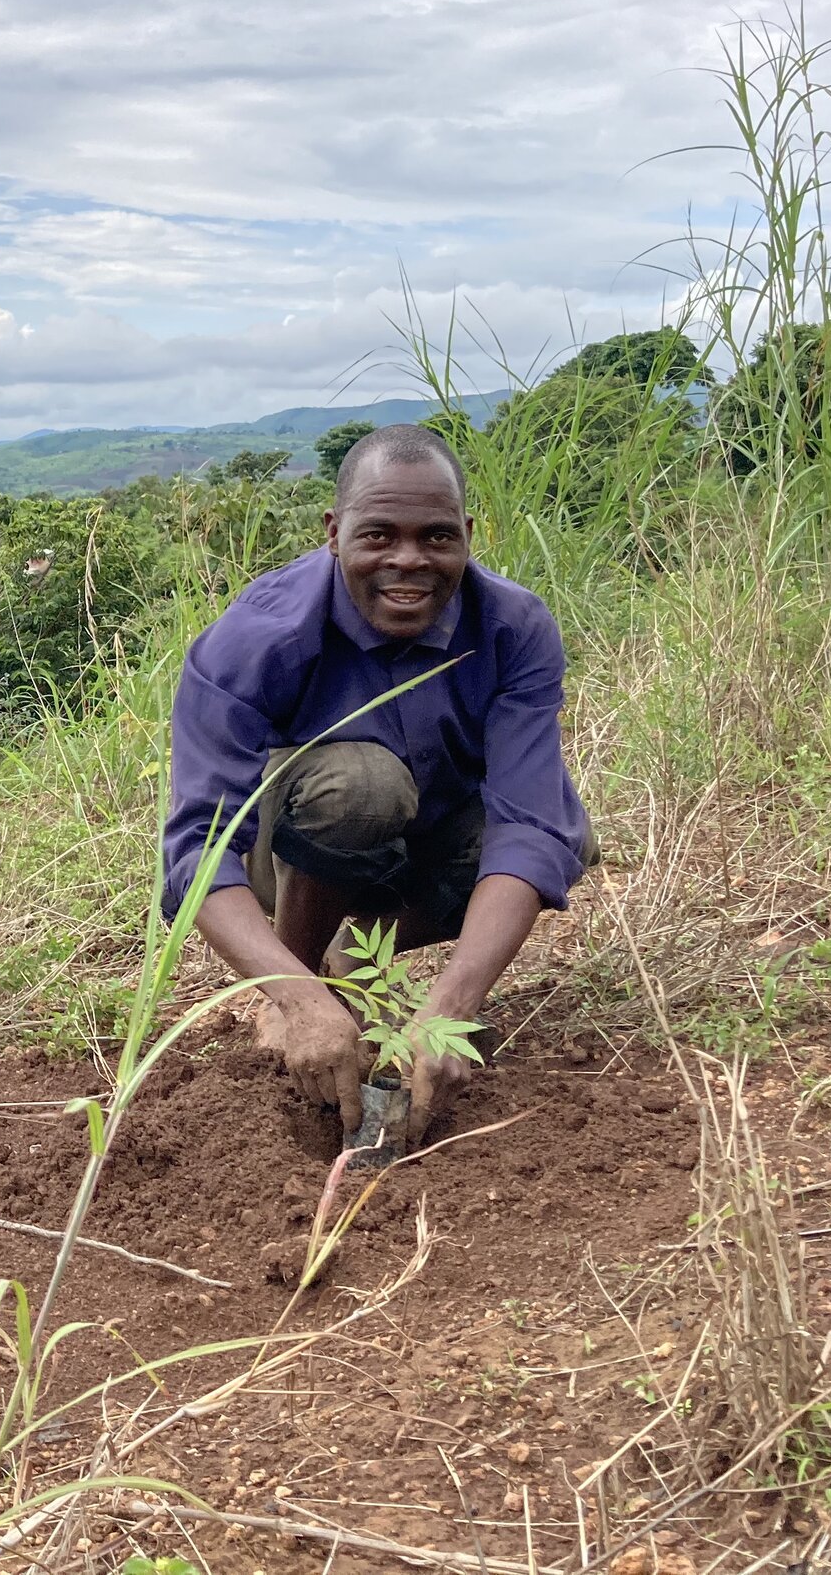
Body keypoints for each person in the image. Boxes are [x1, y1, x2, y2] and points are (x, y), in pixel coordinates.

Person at [161, 423, 590, 1146]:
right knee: (362, 786)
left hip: (430, 841)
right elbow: (197, 852)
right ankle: (302, 976)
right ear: (334, 532)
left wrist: (449, 1008)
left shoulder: (514, 627)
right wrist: (296, 997)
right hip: (296, 847)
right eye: (379, 535)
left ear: (467, 534)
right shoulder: (255, 640)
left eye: (437, 537)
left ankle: (355, 954)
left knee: (564, 835)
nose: (409, 560)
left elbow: (529, 828)